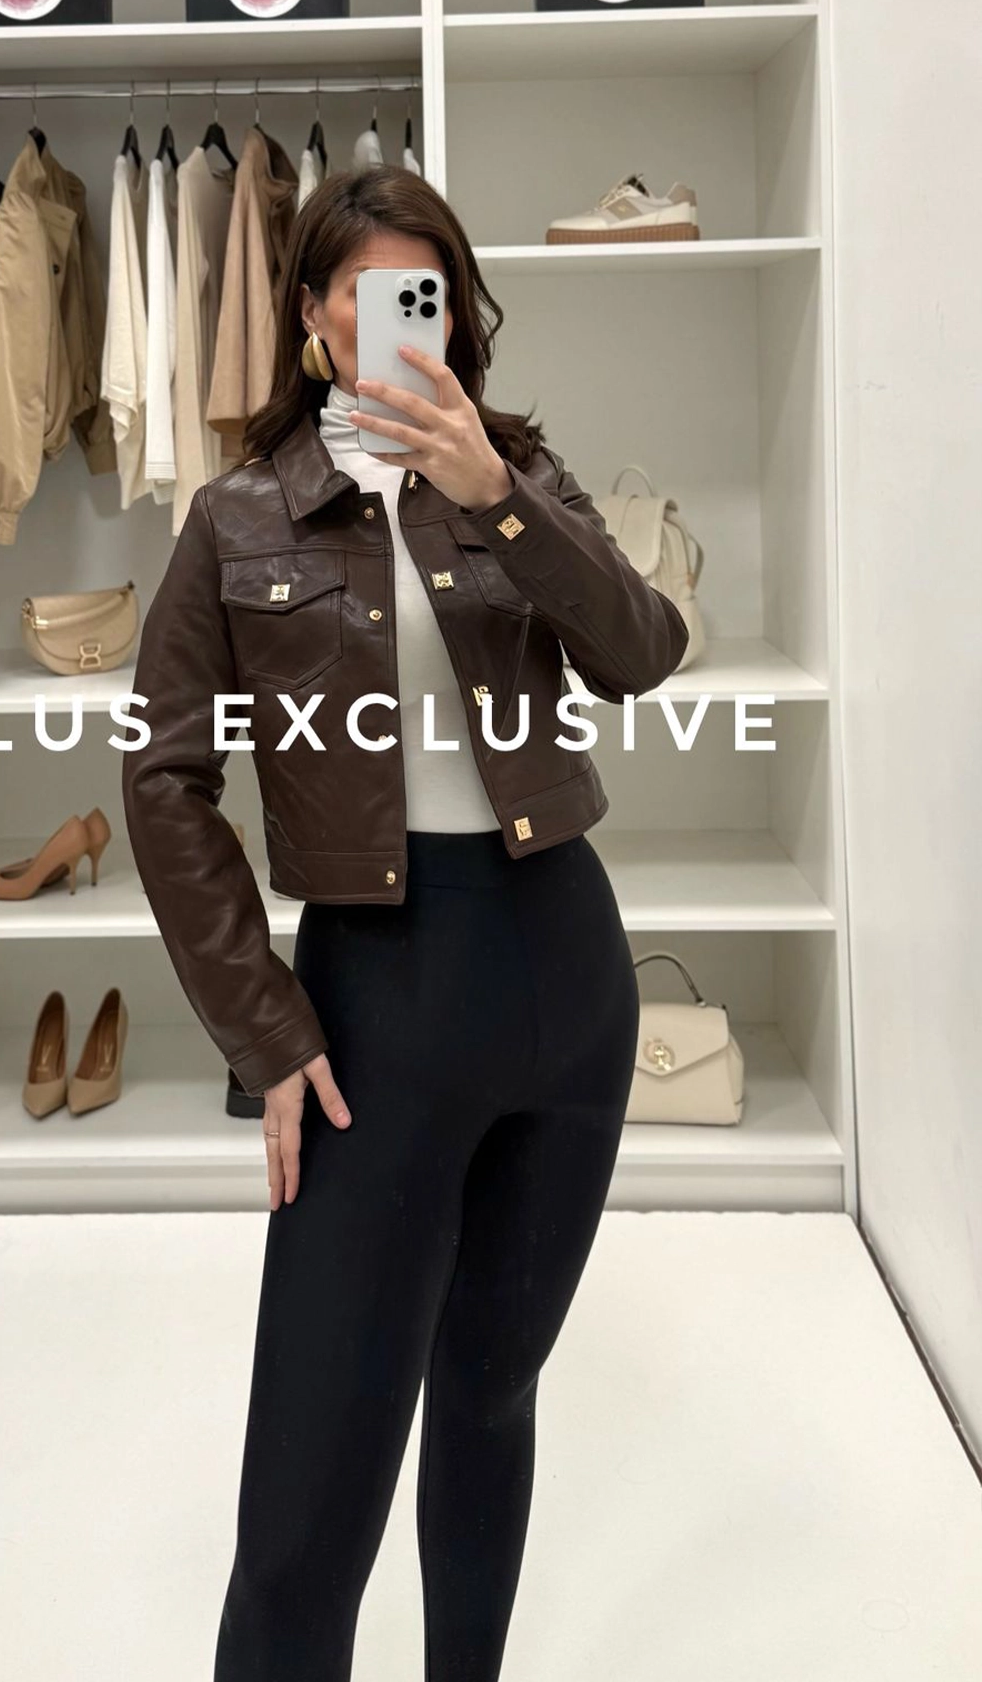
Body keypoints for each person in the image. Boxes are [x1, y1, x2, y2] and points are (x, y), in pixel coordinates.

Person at [121, 163, 689, 1682]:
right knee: (310, 1477)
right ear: (314, 316)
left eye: (422, 294)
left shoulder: (520, 470)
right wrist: (263, 1026)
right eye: (366, 295)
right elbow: (165, 780)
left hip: (565, 976)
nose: (396, 322)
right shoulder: (239, 516)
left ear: (455, 309)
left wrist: (498, 496)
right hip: (374, 1004)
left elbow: (644, 651)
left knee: (491, 1392)